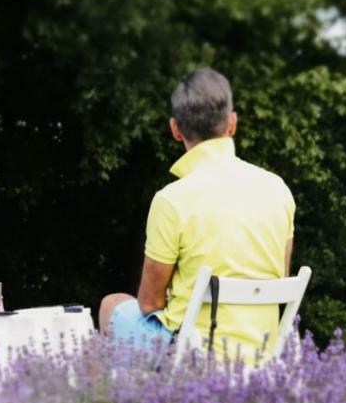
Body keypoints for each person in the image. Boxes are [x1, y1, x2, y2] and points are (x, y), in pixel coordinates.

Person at [99, 68, 295, 361]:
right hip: (262, 350)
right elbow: (280, 276)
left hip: (194, 353)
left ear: (176, 129)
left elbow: (149, 304)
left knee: (111, 305)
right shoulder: (278, 190)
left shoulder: (171, 200)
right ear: (232, 124)